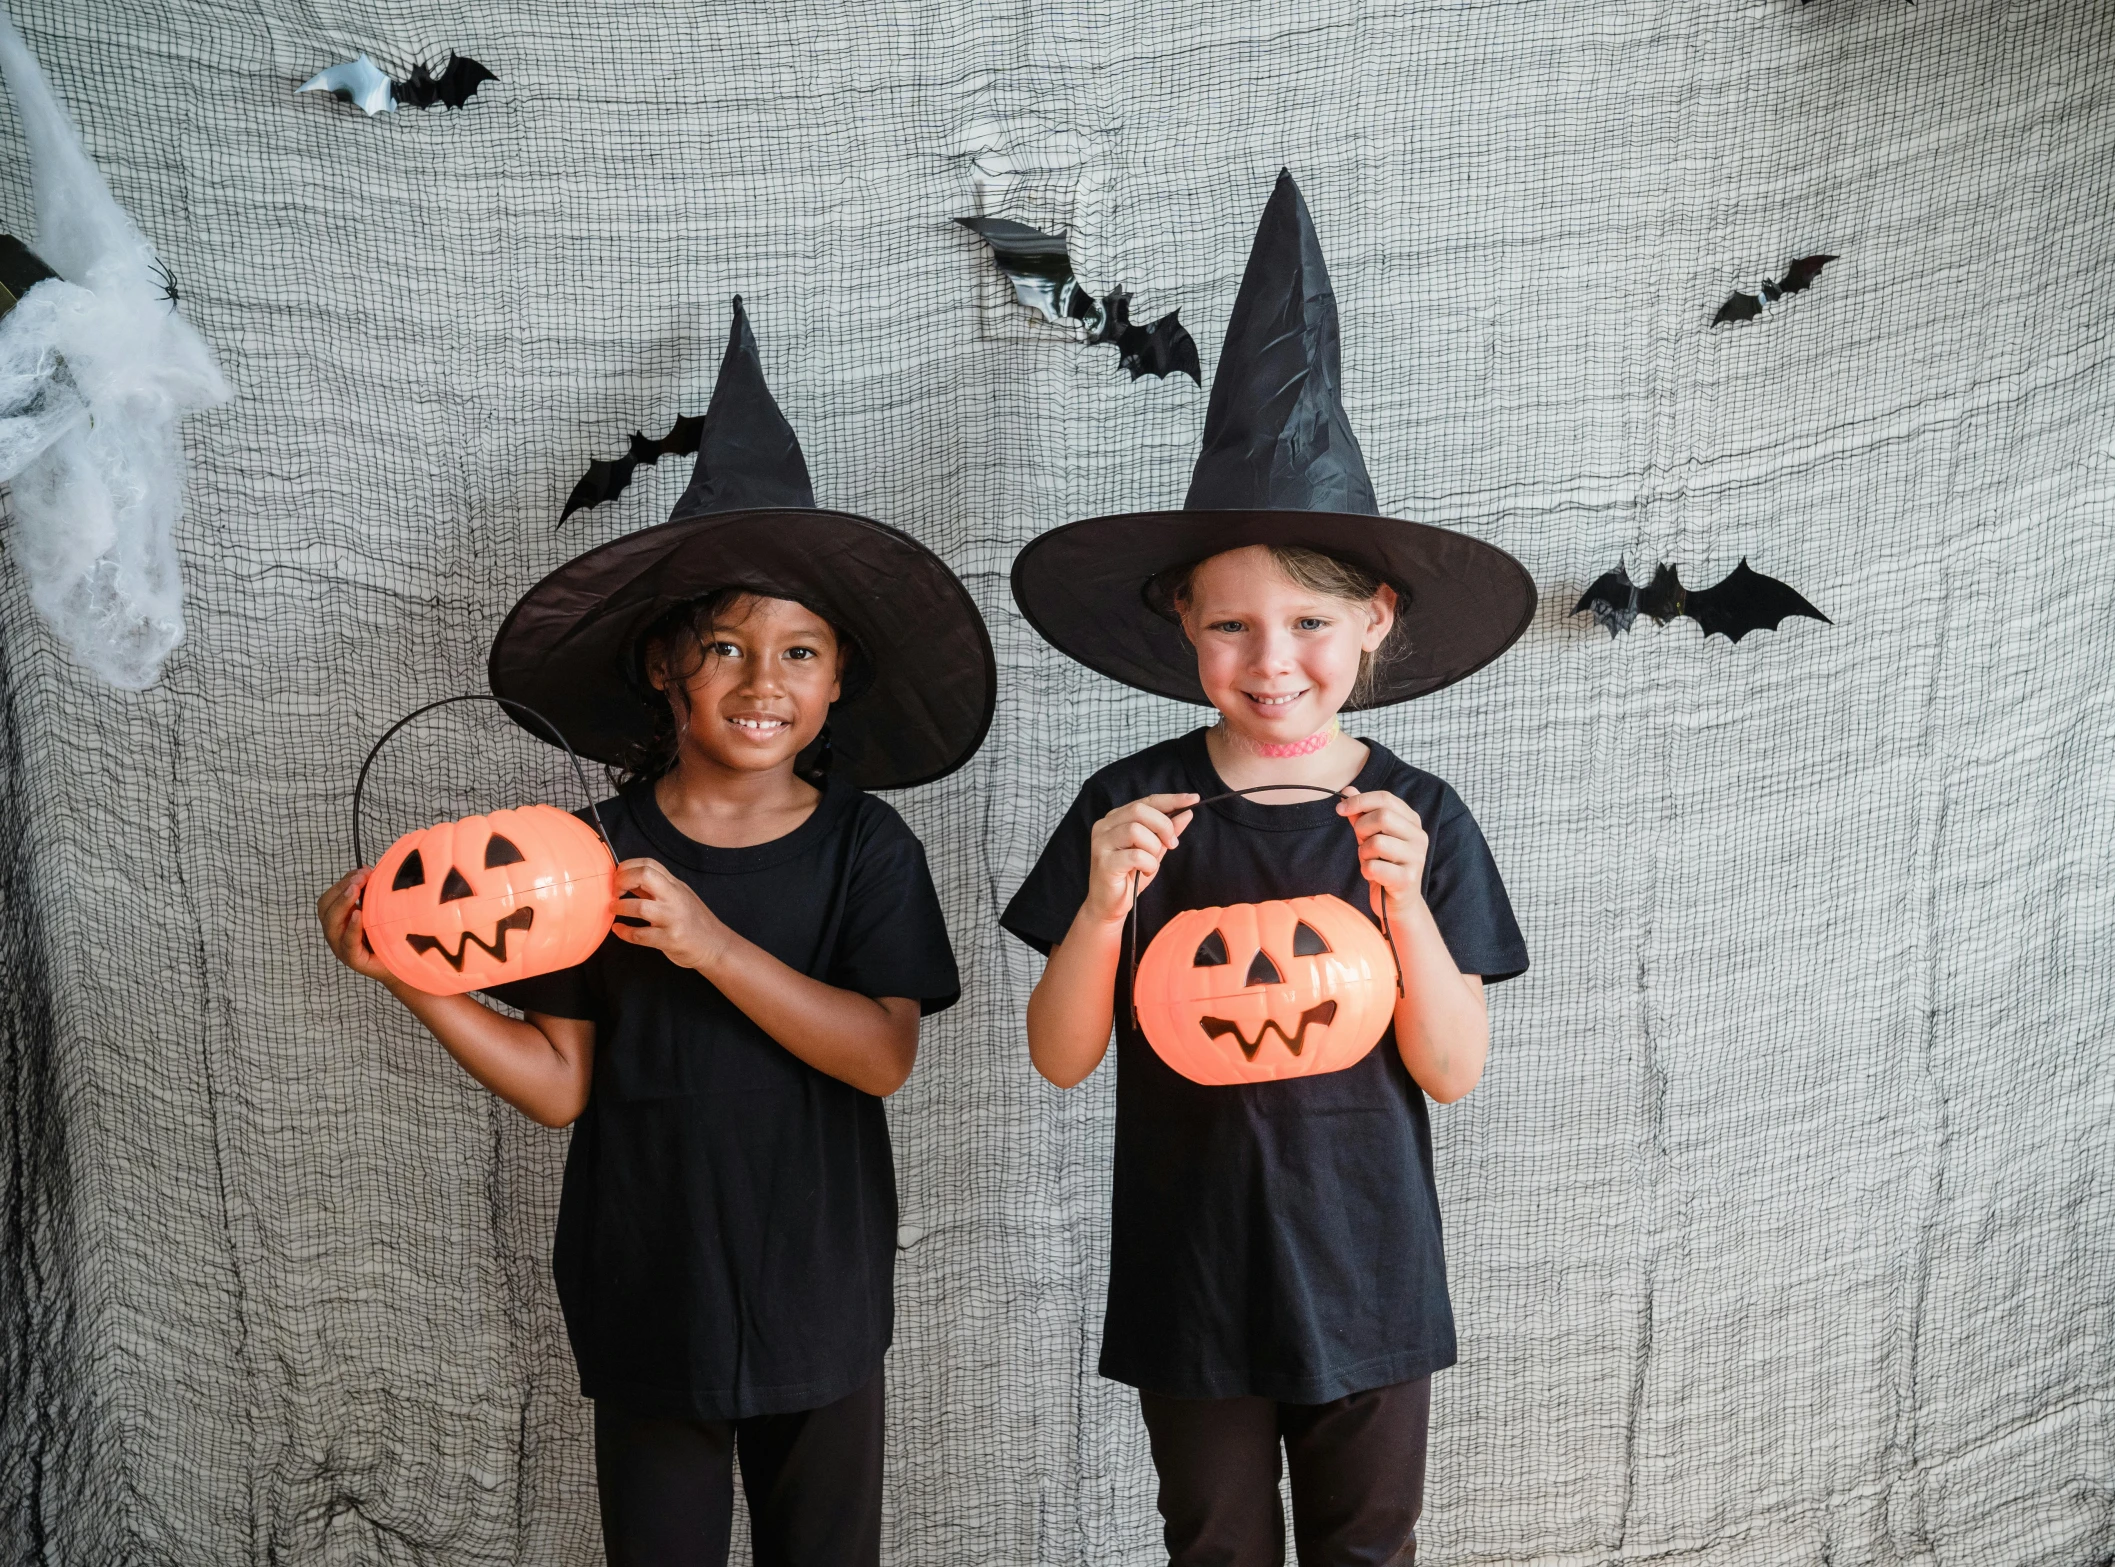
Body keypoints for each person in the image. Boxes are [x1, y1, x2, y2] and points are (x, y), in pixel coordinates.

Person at [316, 299, 994, 1567]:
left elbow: (882, 1056)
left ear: (838, 678)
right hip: (647, 1295)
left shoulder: (865, 849)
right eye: (725, 647)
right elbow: (561, 1085)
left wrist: (711, 945)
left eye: (799, 651)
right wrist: (410, 973)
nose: (761, 681)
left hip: (819, 1298)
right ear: (663, 670)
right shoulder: (576, 859)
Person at [1001, 171, 1535, 1567]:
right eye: (1229, 625)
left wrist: (1405, 904)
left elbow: (1451, 1063)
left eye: (1306, 620)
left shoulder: (1416, 813)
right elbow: (1060, 1053)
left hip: (1369, 1271)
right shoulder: (1131, 805)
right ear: (1182, 627)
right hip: (1192, 1276)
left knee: (1367, 1546)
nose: (1270, 660)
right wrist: (1105, 907)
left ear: (1373, 623)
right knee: (1212, 1544)